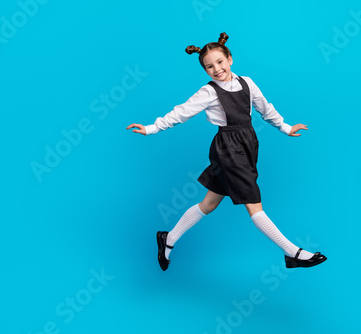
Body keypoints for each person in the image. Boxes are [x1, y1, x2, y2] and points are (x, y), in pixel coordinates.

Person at [126, 32, 327, 271]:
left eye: (220, 62)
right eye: (209, 66)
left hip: (248, 144)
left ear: (230, 58)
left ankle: (167, 239)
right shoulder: (208, 92)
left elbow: (265, 109)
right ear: (205, 70)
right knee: (254, 205)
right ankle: (293, 252)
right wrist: (151, 128)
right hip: (228, 150)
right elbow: (181, 112)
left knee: (209, 204)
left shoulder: (248, 83)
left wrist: (285, 126)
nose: (216, 69)